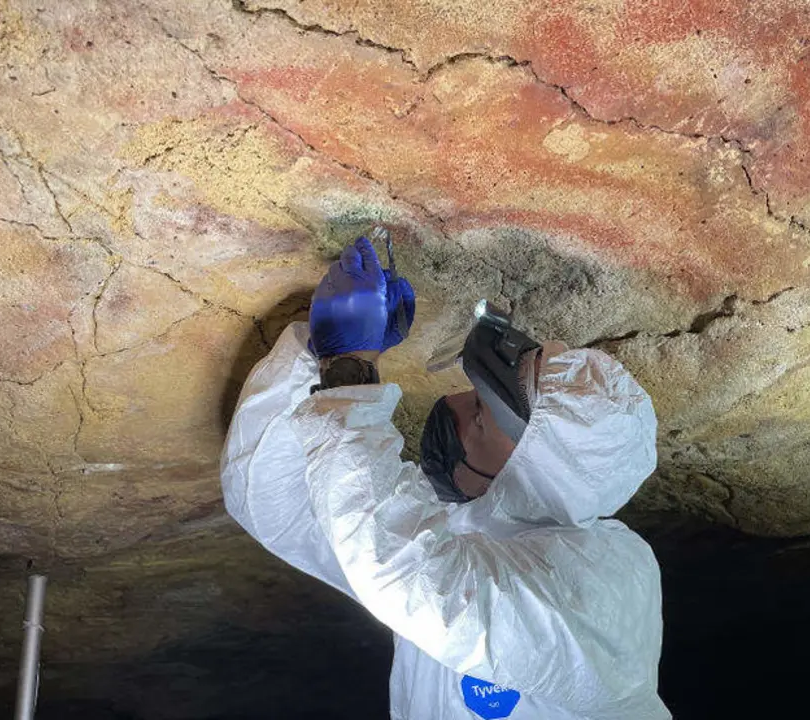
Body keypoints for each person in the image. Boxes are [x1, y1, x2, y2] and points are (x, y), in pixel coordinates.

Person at [221, 237, 670, 719]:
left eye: (477, 414)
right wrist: (316, 357)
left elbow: (406, 575)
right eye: (472, 393)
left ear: (523, 473)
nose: (451, 402)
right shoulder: (462, 531)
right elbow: (272, 502)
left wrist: (348, 372)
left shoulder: (603, 587)